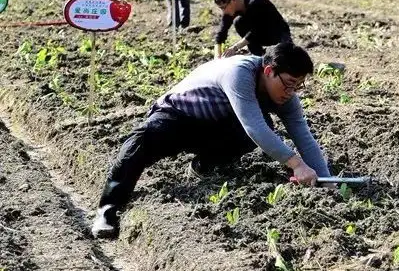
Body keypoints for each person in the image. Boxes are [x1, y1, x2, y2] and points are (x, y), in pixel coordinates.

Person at [90, 42, 331, 239]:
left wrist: (325, 180)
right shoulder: (239, 72)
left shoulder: (286, 96)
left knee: (264, 127)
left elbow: (302, 135)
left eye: (298, 87)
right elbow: (253, 126)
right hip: (177, 117)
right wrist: (297, 165)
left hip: (214, 127)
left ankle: (204, 165)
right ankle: (108, 209)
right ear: (269, 71)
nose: (291, 92)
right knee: (141, 141)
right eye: (289, 84)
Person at [213, 0, 292, 59]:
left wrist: (235, 48)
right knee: (238, 22)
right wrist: (217, 56)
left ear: (233, 1)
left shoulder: (255, 2)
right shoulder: (231, 9)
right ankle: (259, 56)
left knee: (285, 57)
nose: (223, 11)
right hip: (259, 35)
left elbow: (257, 30)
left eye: (223, 7)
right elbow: (222, 32)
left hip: (277, 33)